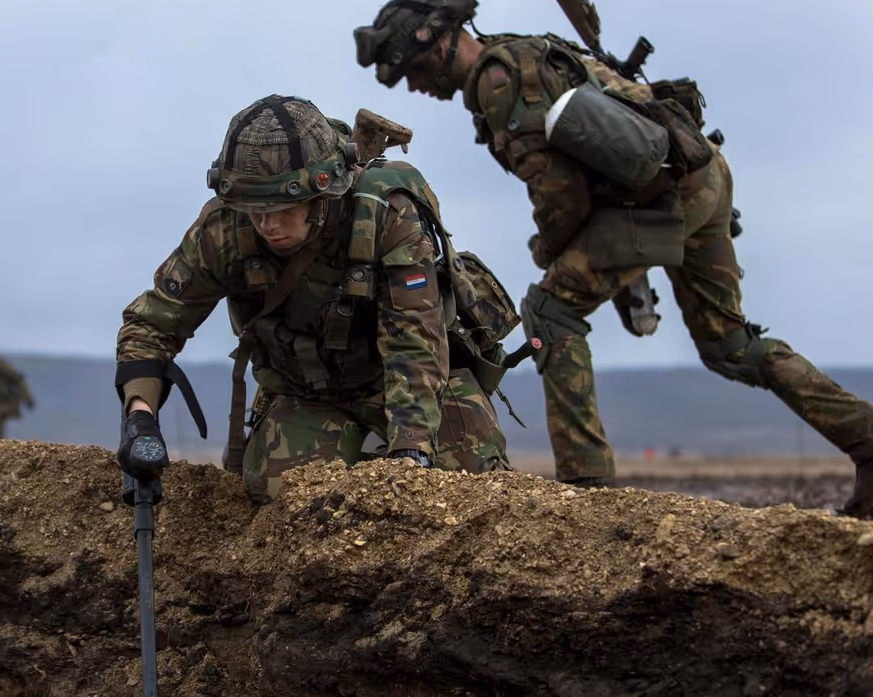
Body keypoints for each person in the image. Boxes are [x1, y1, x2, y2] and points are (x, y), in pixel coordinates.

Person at [352, 0, 873, 519]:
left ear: (441, 41)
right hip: (702, 174)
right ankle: (866, 438)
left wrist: (548, 248)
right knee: (731, 345)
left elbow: (561, 197)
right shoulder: (523, 50)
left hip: (664, 199)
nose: (416, 87)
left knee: (550, 313)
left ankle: (589, 497)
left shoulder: (497, 81)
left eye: (414, 71)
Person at [114, 94, 525, 503]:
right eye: (255, 210)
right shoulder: (226, 228)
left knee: (470, 489)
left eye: (283, 208)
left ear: (324, 191)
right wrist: (140, 417)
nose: (266, 224)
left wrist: (410, 457)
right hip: (308, 392)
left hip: (412, 379)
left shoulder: (387, 214)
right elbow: (152, 323)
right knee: (288, 501)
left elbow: (414, 344)